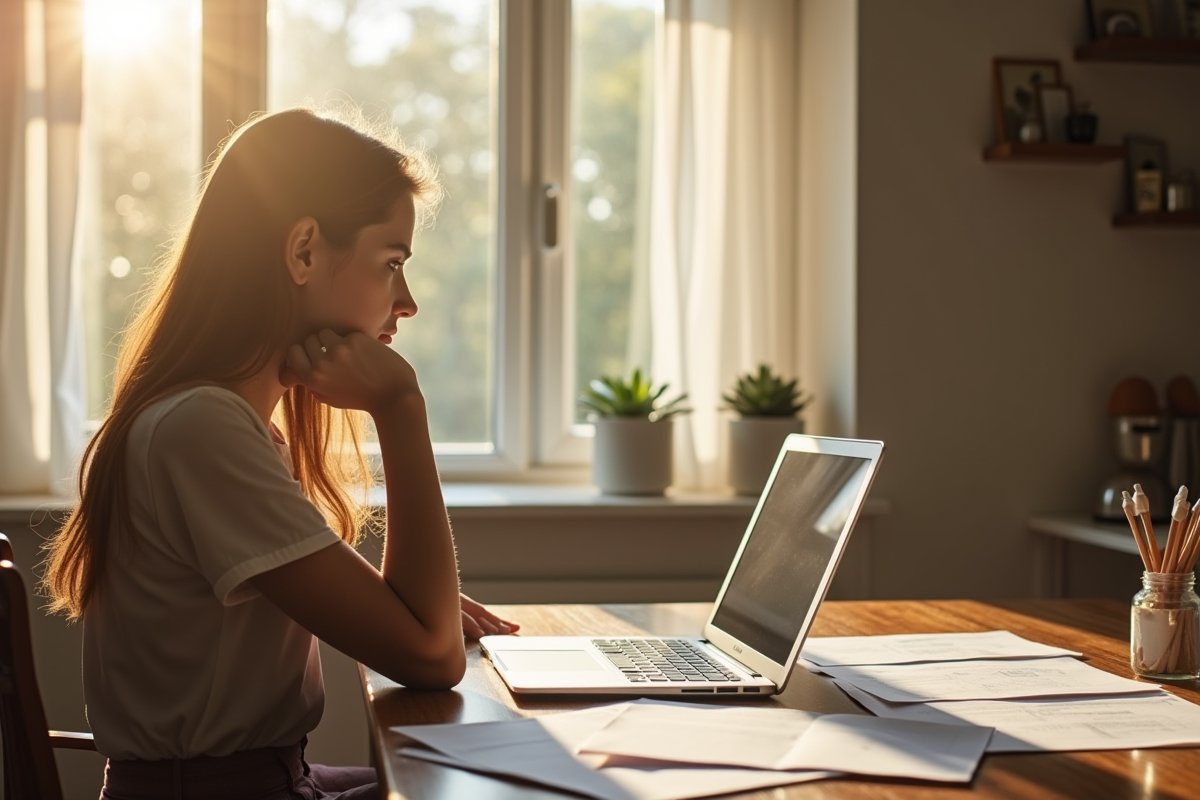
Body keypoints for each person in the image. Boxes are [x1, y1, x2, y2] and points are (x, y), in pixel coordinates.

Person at [42, 107, 518, 800]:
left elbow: (421, 634)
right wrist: (401, 406)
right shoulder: (202, 431)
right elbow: (431, 657)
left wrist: (411, 607)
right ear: (303, 252)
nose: (407, 301)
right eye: (391, 263)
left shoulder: (217, 422)